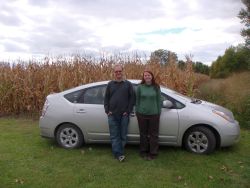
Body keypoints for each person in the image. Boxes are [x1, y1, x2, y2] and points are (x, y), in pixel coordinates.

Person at [104, 64, 135, 162]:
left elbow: (132, 98)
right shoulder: (110, 84)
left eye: (119, 71)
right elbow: (106, 98)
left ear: (122, 72)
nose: (118, 73)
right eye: (116, 71)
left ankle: (118, 152)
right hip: (112, 114)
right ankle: (119, 154)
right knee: (114, 135)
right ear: (114, 73)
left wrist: (128, 111)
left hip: (124, 115)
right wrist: (107, 110)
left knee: (123, 135)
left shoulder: (128, 84)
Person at [135, 70, 162, 160]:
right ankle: (143, 151)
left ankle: (153, 153)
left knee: (153, 134)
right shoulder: (140, 87)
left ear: (152, 76)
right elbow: (137, 100)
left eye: (149, 75)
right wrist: (137, 111)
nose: (147, 77)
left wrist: (158, 112)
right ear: (143, 77)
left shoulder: (156, 87)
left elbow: (159, 101)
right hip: (142, 114)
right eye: (145, 75)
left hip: (154, 114)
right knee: (143, 134)